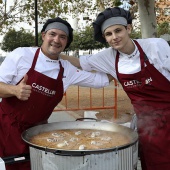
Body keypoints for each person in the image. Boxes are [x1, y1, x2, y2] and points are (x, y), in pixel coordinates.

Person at [61, 7, 170, 170]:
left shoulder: (155, 46)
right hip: (148, 127)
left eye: (118, 30)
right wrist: (49, 53)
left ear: (129, 28)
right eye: (109, 34)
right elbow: (79, 63)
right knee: (155, 163)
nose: (114, 37)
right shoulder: (108, 57)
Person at [0, 17, 111, 170]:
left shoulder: (67, 69)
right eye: (52, 34)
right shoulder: (22, 55)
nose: (56, 40)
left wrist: (118, 62)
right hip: (6, 126)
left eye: (62, 37)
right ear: (44, 35)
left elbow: (101, 81)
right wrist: (14, 90)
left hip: (37, 133)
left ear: (66, 43)